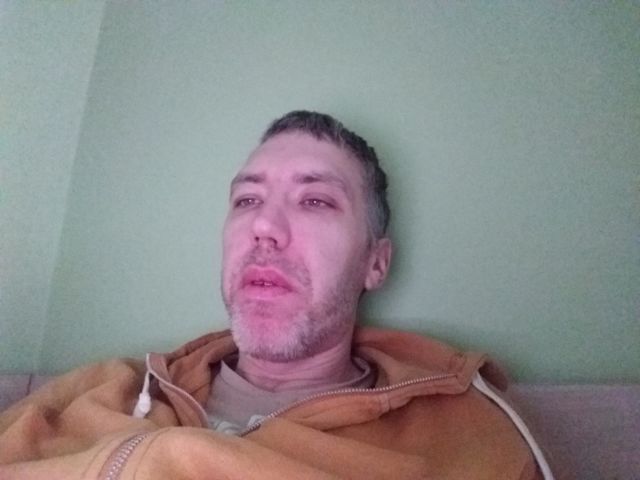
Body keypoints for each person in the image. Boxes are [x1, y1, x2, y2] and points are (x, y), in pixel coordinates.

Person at [0, 111, 554, 479]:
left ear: (375, 262)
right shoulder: (101, 390)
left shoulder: (470, 445)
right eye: (246, 200)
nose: (263, 226)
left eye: (315, 201)